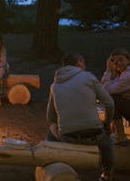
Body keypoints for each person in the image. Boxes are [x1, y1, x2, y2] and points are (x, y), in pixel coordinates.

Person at [47, 53, 114, 181]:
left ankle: (53, 164)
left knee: (51, 131)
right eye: (83, 63)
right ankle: (107, 174)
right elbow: (110, 103)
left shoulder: (54, 85)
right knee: (107, 144)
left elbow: (50, 117)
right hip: (94, 136)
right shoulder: (89, 77)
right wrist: (106, 124)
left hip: (67, 137)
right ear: (79, 62)